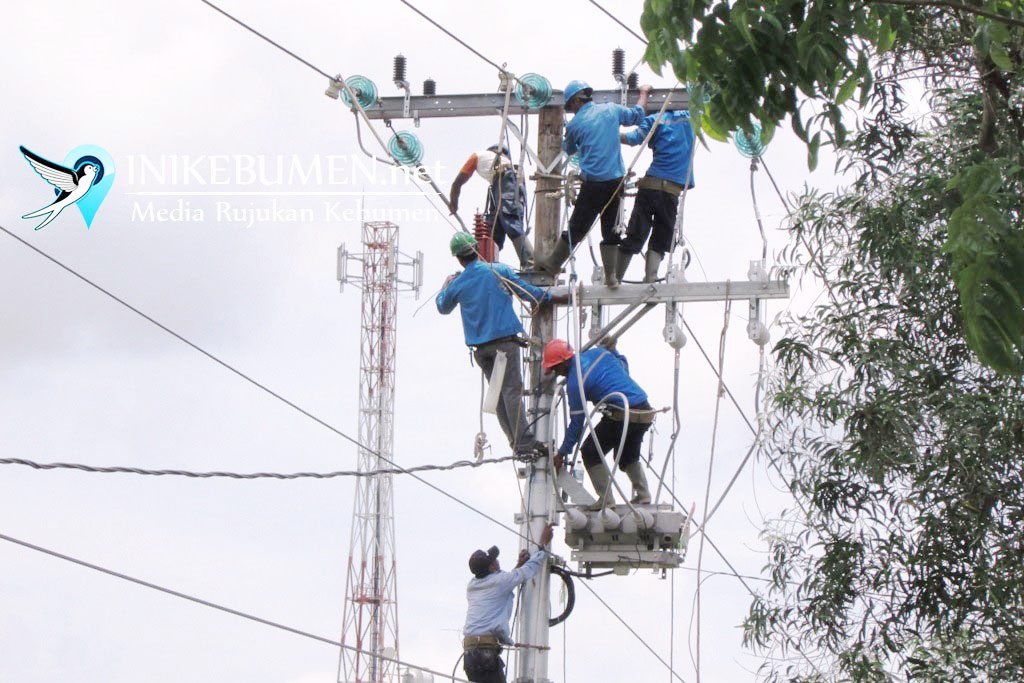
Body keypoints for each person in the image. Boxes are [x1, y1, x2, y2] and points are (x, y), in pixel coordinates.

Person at [437, 232, 565, 455]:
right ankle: (524, 444)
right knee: (511, 392)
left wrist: (445, 286)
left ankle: (517, 443)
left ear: (458, 259)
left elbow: (442, 307)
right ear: (476, 249)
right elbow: (528, 294)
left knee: (498, 396)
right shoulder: (498, 271)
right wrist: (550, 297)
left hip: (481, 350)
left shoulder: (458, 284)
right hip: (504, 345)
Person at [537, 79, 651, 288]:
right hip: (615, 183)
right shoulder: (611, 110)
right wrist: (643, 93)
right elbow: (638, 115)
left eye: (570, 107)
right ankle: (611, 277)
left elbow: (569, 149)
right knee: (611, 229)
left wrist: (567, 132)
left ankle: (553, 264)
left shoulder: (575, 124)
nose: (572, 111)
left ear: (575, 103)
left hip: (593, 185)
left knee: (578, 226)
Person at [542, 337, 654, 505]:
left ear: (563, 363)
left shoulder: (575, 383)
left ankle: (606, 500)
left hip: (622, 415)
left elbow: (577, 423)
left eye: (555, 368)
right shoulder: (600, 353)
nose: (556, 373)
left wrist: (562, 452)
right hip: (644, 412)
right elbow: (623, 368)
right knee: (627, 457)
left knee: (590, 451)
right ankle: (644, 495)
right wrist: (614, 351)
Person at [462, 523, 554, 683]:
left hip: (470, 655)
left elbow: (502, 583)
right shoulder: (500, 581)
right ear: (491, 567)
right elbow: (528, 570)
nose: (497, 561)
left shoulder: (472, 585)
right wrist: (543, 545)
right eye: (494, 560)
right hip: (486, 654)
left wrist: (518, 565)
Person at [617, 109, 696, 283]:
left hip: (651, 186)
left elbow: (632, 138)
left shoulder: (655, 119)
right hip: (671, 191)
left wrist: (608, 133)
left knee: (636, 233)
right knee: (661, 237)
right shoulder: (693, 117)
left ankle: (615, 278)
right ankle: (650, 277)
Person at [449, 145, 534, 269]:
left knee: (509, 221)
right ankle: (488, 264)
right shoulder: (502, 161)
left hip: (506, 182)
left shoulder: (478, 156)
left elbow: (457, 183)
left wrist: (453, 204)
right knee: (494, 229)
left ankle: (530, 262)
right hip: (507, 185)